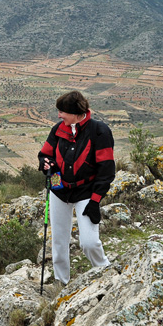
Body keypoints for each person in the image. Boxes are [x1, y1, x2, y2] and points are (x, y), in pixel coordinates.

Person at [38, 90, 114, 285]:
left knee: (89, 242)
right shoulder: (58, 129)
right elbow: (45, 154)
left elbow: (106, 170)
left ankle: (106, 273)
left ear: (75, 113)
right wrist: (47, 163)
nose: (59, 115)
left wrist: (95, 201)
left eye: (62, 111)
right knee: (58, 240)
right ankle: (60, 281)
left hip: (86, 192)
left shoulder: (99, 131)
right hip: (59, 190)